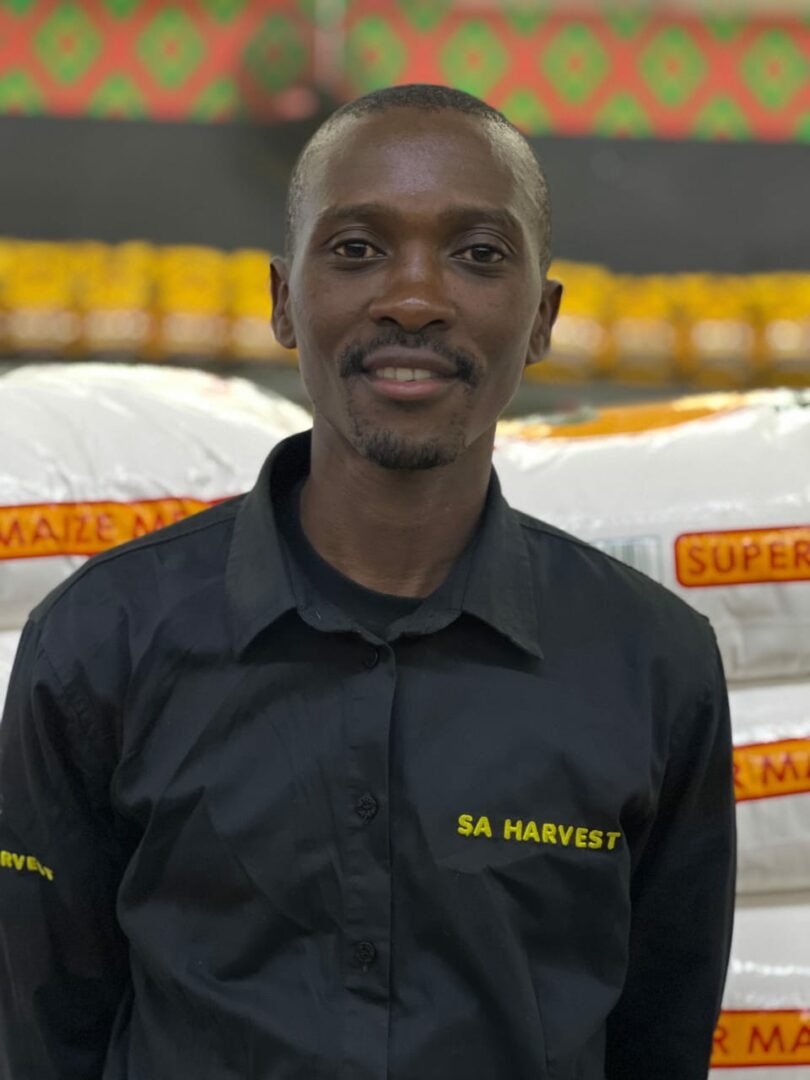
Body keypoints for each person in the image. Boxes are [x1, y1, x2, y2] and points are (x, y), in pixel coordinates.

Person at [0, 84, 734, 1079]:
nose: (414, 299)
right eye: (356, 249)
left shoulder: (653, 665)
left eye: (479, 254)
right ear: (282, 301)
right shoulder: (102, 642)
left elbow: (660, 1037)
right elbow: (45, 1032)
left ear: (543, 318)